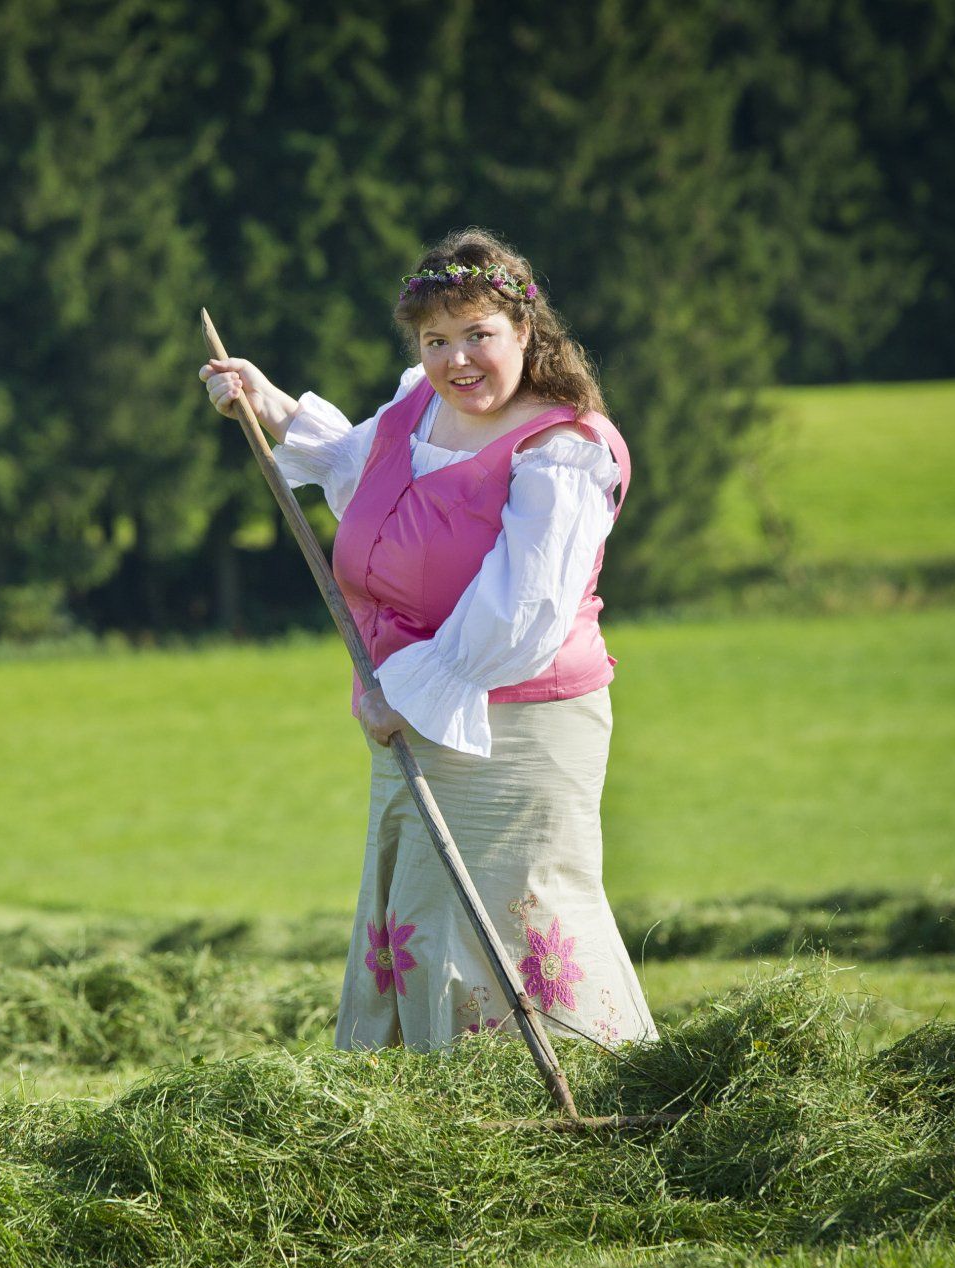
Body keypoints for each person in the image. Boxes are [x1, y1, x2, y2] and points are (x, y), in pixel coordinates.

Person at [198, 227, 657, 1051]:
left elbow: (523, 618)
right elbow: (359, 472)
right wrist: (266, 406)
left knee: (513, 916)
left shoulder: (562, 450)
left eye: (478, 333)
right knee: (415, 912)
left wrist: (402, 695)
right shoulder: (421, 407)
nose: (457, 360)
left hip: (514, 724)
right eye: (435, 340)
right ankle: (428, 1111)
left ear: (526, 331)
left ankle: (562, 1101)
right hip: (410, 709)